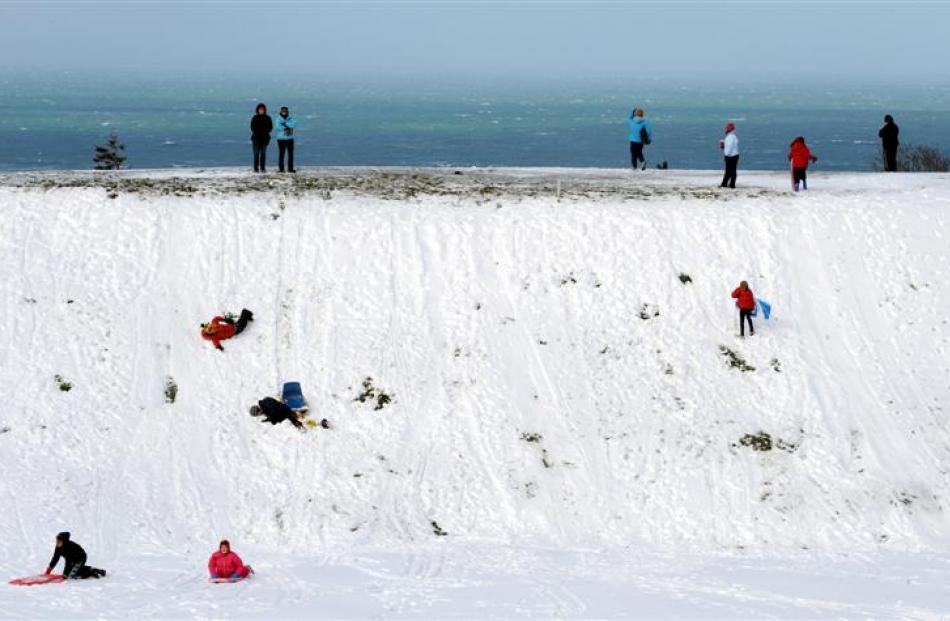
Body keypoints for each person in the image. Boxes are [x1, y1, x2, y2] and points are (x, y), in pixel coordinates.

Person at [250, 103, 273, 173]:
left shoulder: (268, 118)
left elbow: (270, 127)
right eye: (260, 110)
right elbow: (252, 127)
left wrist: (265, 133)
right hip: (256, 138)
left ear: (264, 110)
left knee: (263, 153)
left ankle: (263, 168)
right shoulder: (255, 117)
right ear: (257, 110)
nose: (261, 111)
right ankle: (256, 168)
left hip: (265, 139)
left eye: (262, 110)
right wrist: (257, 133)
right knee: (256, 153)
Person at [275, 106, 297, 173]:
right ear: (281, 111)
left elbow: (294, 124)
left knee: (291, 155)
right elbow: (277, 127)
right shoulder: (278, 119)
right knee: (281, 154)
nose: (284, 112)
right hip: (281, 139)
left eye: (285, 111)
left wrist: (285, 124)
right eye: (283, 111)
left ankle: (290, 168)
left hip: (290, 138)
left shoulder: (290, 118)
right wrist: (286, 128)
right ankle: (281, 169)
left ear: (287, 111)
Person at [719, 122, 739, 189]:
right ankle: (729, 184)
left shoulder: (730, 137)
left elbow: (730, 147)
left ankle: (728, 184)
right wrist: (724, 145)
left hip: (731, 156)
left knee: (730, 171)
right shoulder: (733, 137)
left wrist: (726, 154)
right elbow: (730, 146)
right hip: (734, 155)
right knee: (731, 171)